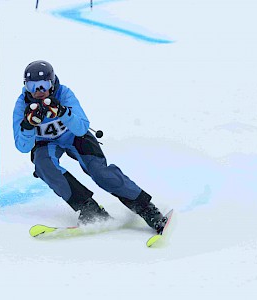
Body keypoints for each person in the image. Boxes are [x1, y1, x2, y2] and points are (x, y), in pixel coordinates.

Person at [13, 60, 167, 232]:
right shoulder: (22, 104)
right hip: (47, 143)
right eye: (32, 86)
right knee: (43, 165)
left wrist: (64, 113)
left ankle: (146, 208)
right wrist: (27, 125)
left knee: (99, 171)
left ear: (52, 82)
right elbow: (22, 146)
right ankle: (89, 209)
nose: (38, 92)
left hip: (74, 137)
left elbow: (82, 128)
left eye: (43, 85)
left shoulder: (64, 93)